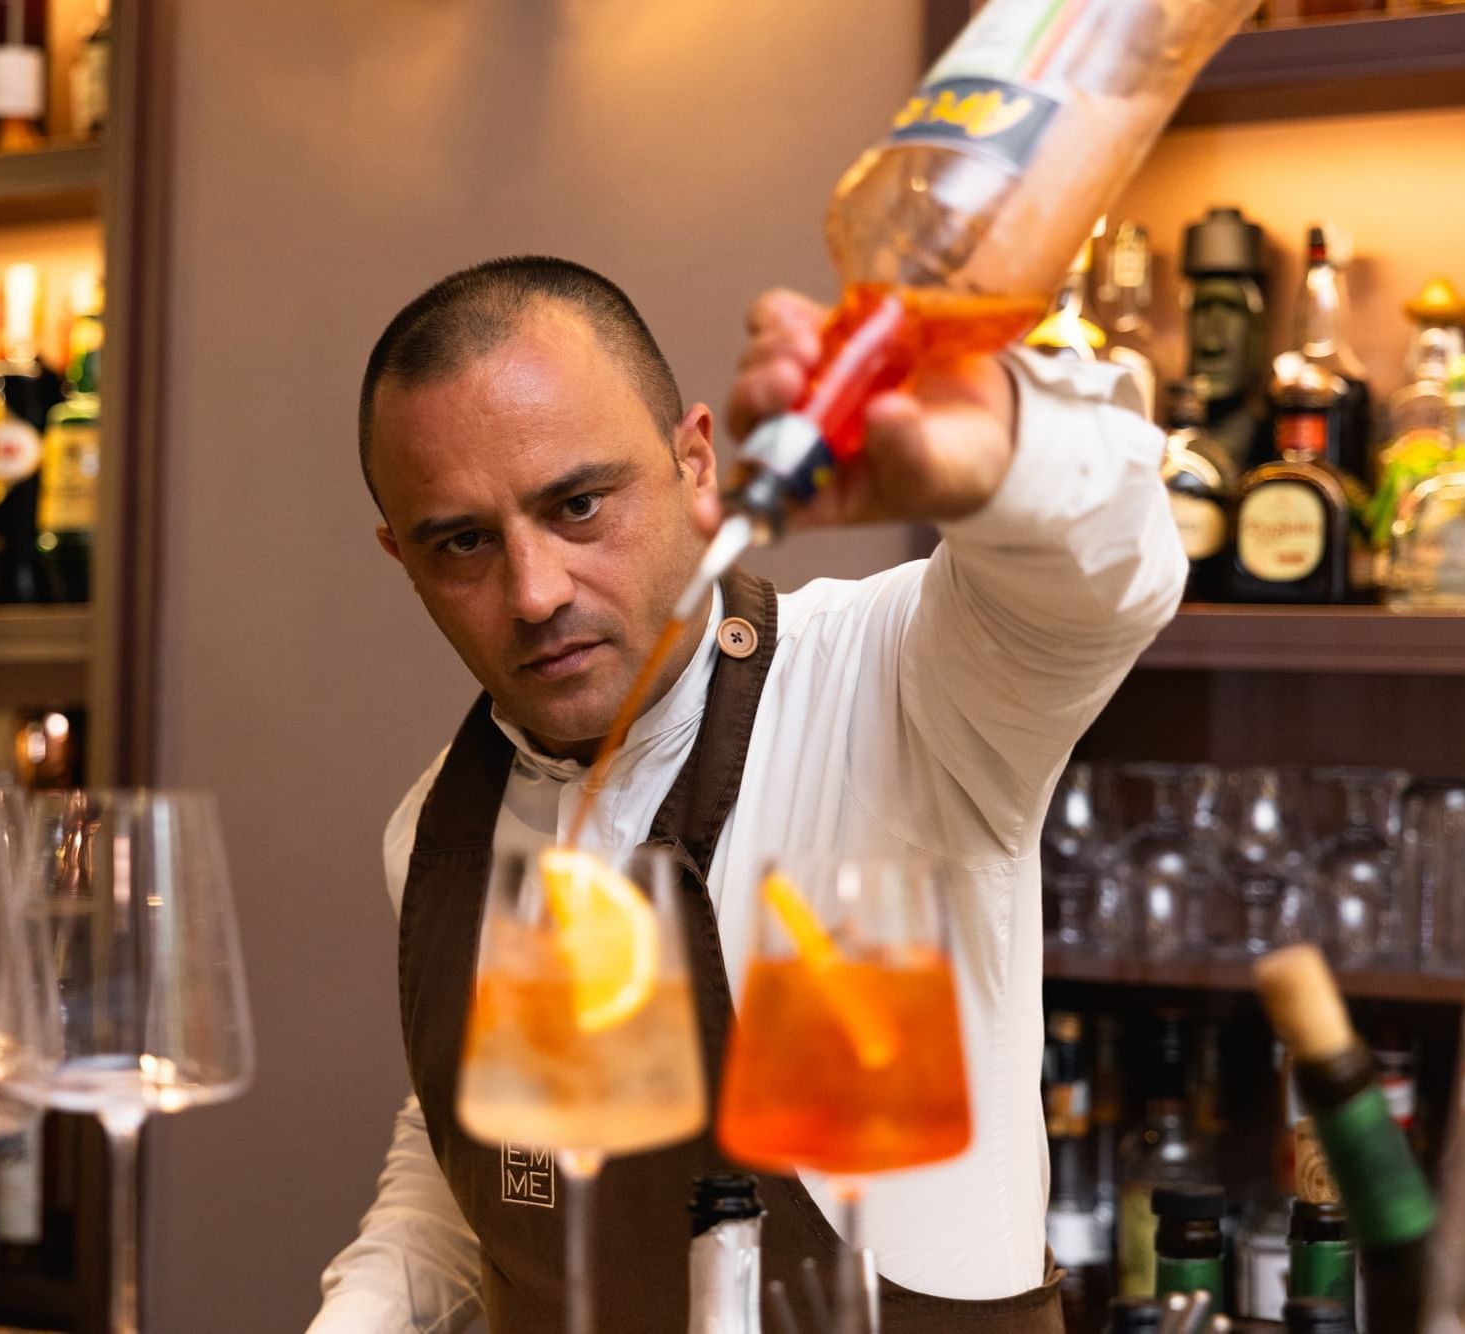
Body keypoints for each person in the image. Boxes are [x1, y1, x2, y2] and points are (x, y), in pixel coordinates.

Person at [311, 255, 1186, 1333]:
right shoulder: (437, 826)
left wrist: (1002, 451)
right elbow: (482, 1166)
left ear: (695, 463)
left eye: (579, 504)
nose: (534, 591)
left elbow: (1106, 574)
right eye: (464, 543)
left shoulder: (901, 683)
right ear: (402, 556)